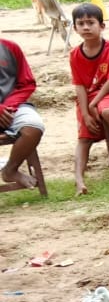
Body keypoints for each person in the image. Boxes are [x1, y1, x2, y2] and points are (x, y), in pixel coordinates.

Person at [69, 3, 109, 196]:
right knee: (84, 138)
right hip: (86, 98)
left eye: (90, 22)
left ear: (102, 26)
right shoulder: (74, 55)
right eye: (81, 23)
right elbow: (79, 85)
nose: (86, 27)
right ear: (75, 28)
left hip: (107, 93)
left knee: (108, 111)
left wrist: (94, 103)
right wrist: (85, 113)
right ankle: (79, 180)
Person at [0, 36, 43, 190]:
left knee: (34, 128)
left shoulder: (10, 47)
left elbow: (27, 83)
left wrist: (7, 107)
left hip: (13, 107)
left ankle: (10, 169)